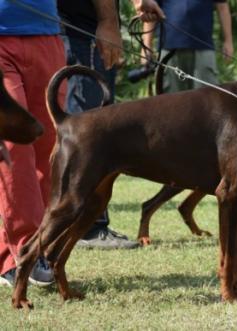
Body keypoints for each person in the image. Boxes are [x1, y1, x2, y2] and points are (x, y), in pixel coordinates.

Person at [57, 0, 165, 249]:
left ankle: (83, 222)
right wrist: (108, 22)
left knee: (94, 126)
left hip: (79, 29)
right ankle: (87, 226)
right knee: (91, 132)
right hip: (81, 30)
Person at [0, 0, 65, 286]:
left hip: (46, 34)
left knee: (50, 146)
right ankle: (22, 253)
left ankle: (42, 245)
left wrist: (109, 22)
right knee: (15, 147)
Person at [142, 0, 233, 93]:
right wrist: (146, 46)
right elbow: (151, 11)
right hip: (168, 48)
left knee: (208, 97)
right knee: (170, 100)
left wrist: (228, 41)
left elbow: (223, 7)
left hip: (203, 47)